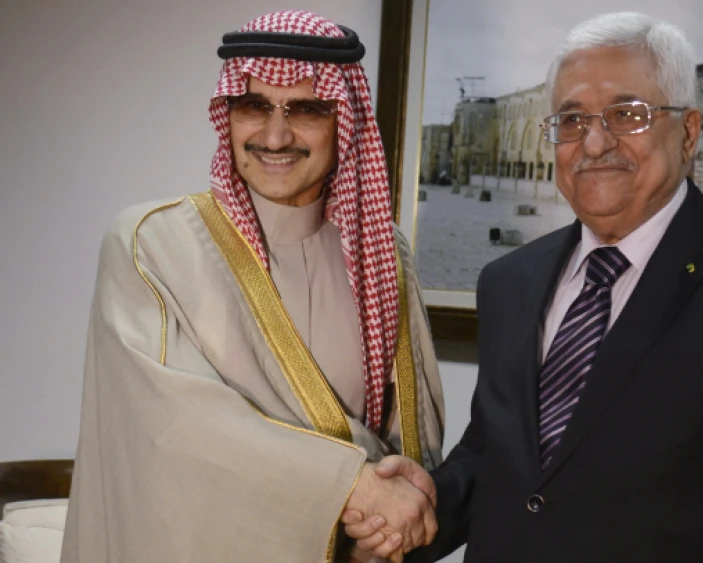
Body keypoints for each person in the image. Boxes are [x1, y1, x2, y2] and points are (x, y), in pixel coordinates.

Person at [346, 11, 703, 562]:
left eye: (628, 114)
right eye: (571, 121)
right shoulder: (509, 282)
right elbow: (502, 461)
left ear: (689, 131)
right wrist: (424, 506)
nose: (594, 143)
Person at [61, 11, 444, 563]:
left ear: (345, 120)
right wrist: (352, 487)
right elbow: (176, 429)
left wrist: (381, 529)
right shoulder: (154, 242)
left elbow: (413, 435)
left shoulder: (387, 254)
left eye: (307, 109)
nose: (275, 135)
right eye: (254, 106)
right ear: (228, 115)